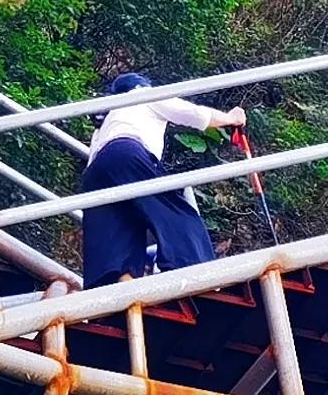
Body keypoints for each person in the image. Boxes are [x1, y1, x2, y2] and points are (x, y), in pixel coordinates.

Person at [76, 69, 248, 287]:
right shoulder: (144, 95)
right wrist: (231, 117)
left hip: (95, 171)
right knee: (176, 213)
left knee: (121, 227)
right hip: (126, 153)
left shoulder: (107, 120)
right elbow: (194, 115)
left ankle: (120, 286)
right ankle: (195, 272)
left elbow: (95, 162)